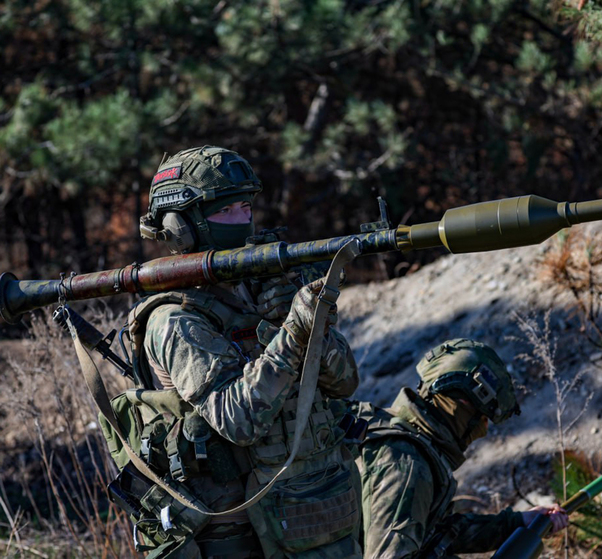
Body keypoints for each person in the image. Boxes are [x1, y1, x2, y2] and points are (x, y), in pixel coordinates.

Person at [107, 146, 362, 558]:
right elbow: (238, 420)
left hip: (314, 517)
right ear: (180, 226)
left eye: (246, 207)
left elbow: (345, 380)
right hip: (240, 538)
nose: (243, 221)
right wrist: (293, 333)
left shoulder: (255, 284)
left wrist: (305, 323)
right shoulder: (175, 319)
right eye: (226, 212)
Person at [354, 338, 568, 558]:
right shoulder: (406, 465)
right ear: (460, 407)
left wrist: (518, 523)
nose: (484, 429)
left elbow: (436, 533)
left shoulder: (396, 431)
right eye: (483, 418)